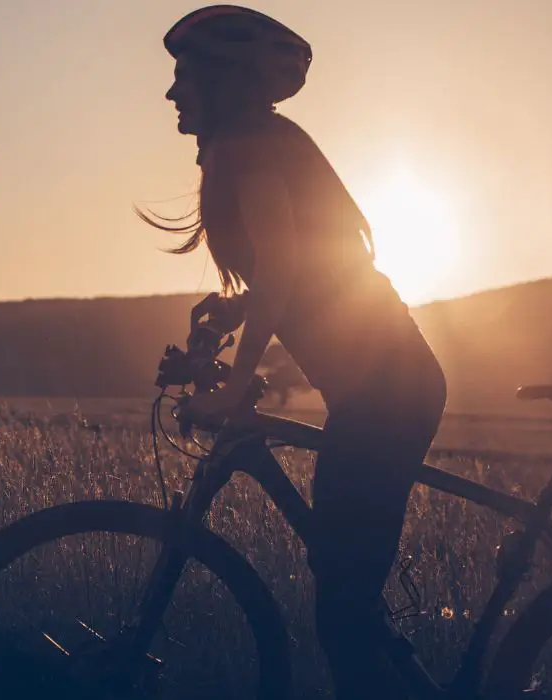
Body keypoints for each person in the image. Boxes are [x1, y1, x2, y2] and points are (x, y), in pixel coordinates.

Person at [137, 6, 448, 699]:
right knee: (349, 602)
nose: (170, 93)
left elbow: (283, 268)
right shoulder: (253, 145)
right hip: (382, 391)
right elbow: (310, 276)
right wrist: (234, 314)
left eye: (183, 75)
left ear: (222, 81)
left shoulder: (248, 147)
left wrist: (235, 380)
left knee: (342, 616)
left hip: (385, 398)